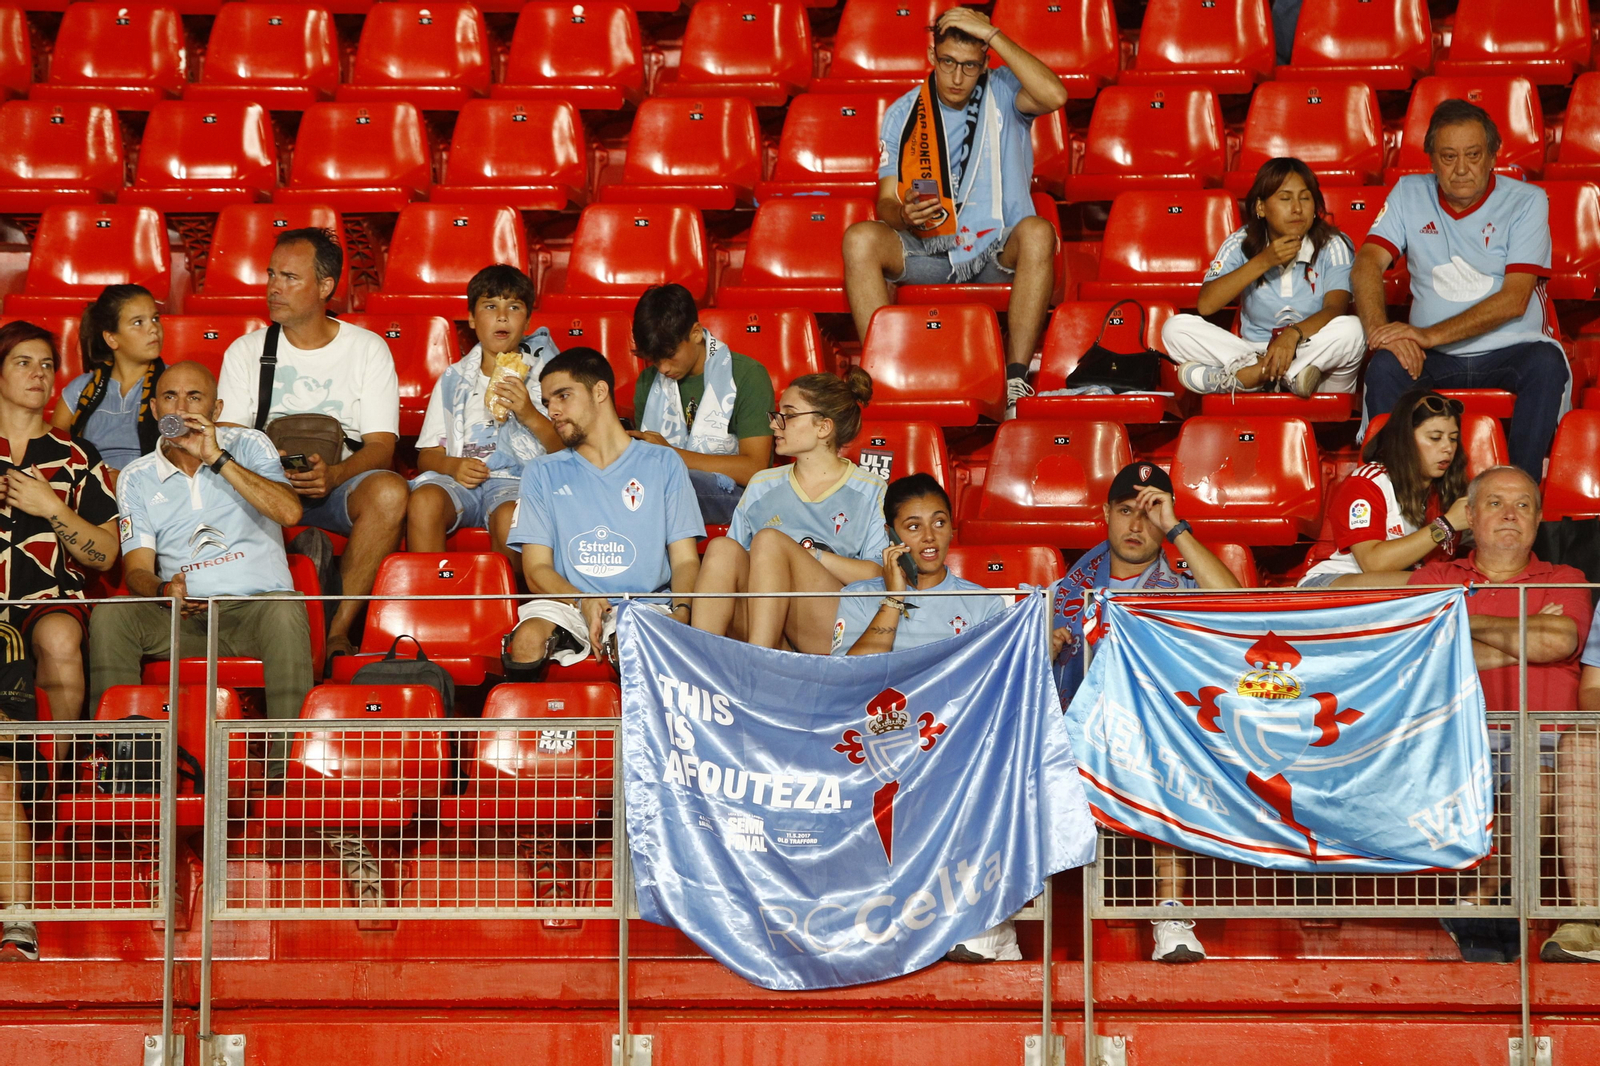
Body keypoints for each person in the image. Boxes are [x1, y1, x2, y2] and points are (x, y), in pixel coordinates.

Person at [1052, 462, 1241, 963]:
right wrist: (1043, 650)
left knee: (1169, 752)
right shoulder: (1063, 594)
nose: (1136, 525)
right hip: (1071, 740)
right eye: (1125, 511)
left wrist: (1176, 528)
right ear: (1105, 514)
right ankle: (1000, 922)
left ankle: (1171, 914)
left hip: (1146, 741)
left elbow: (1236, 605)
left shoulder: (1178, 589)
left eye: (1150, 513)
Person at [830, 473, 1020, 962]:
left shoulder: (982, 603)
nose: (929, 537)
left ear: (954, 527)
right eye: (912, 527)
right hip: (882, 749)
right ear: (891, 535)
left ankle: (987, 921)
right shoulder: (860, 597)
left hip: (953, 746)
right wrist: (893, 598)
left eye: (939, 522)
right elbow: (850, 677)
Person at [842, 6, 1066, 416]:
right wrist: (904, 216)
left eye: (969, 66)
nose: (957, 77)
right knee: (859, 238)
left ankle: (1015, 381)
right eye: (948, 62)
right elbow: (886, 201)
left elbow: (1056, 95)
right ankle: (884, 375)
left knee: (1038, 231)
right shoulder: (904, 113)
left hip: (998, 249)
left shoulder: (1003, 91)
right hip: (932, 250)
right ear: (932, 55)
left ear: (985, 63)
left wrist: (992, 33)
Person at [1409, 466, 1589, 963]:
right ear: (1469, 516)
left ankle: (1481, 896)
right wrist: (1524, 635)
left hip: (1543, 743)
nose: (1510, 514)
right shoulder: (1436, 578)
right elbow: (1422, 655)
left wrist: (1457, 619)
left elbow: (1557, 642)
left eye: (1523, 505)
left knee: (1540, 776)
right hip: (1450, 741)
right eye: (1495, 503)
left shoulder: (1565, 578)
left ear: (1538, 519)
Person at [216, 227, 408, 662]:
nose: (274, 287)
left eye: (289, 277)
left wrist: (334, 475)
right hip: (268, 488)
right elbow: (228, 441)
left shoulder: (367, 349)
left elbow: (381, 446)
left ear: (325, 286)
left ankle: (335, 633)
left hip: (340, 485)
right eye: (271, 274)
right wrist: (270, 468)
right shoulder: (246, 351)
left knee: (390, 491)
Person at [87, 360, 315, 721]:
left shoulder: (250, 444)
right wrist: (164, 591)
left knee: (285, 608)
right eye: (170, 397)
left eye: (194, 397)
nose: (181, 408)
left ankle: (288, 758)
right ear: (155, 409)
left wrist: (216, 458)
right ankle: (123, 752)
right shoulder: (136, 477)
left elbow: (289, 512)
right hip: (184, 619)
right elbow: (137, 570)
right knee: (112, 615)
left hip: (257, 614)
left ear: (216, 409)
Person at [1354, 99, 1568, 477]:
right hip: (1433, 357)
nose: (1462, 168)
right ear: (1432, 161)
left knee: (1547, 364)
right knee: (1384, 366)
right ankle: (1393, 491)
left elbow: (1514, 300)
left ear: (1493, 156)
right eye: (1449, 157)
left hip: (1509, 351)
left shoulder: (1526, 201)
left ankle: (1521, 487)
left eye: (1473, 154)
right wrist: (1380, 333)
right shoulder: (1408, 192)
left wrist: (1427, 335)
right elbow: (1367, 262)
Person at [0, 320, 122, 963]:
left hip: (49, 599)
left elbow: (104, 554)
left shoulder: (75, 457)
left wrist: (51, 507)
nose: (39, 374)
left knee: (56, 636)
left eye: (47, 363)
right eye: (24, 361)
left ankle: (51, 780)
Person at [501, 347, 702, 674]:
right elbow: (536, 569)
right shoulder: (541, 471)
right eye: (547, 402)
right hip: (568, 602)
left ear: (599, 392)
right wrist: (583, 599)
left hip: (643, 603)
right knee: (525, 643)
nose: (553, 411)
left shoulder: (663, 462)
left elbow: (685, 560)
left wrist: (683, 609)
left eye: (563, 396)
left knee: (630, 643)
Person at [692, 370, 888, 653]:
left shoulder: (870, 488)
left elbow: (877, 575)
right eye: (777, 414)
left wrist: (806, 556)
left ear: (824, 427)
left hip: (832, 629)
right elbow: (731, 571)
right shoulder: (762, 484)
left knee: (770, 541)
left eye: (789, 415)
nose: (774, 424)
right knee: (722, 548)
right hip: (767, 622)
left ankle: (761, 661)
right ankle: (698, 661)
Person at [1162, 158, 1365, 397]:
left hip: (1313, 354)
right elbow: (1206, 305)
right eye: (1285, 198)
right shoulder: (1240, 242)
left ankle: (1251, 378)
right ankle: (1268, 372)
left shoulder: (1333, 244)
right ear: (1261, 207)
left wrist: (1292, 334)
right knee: (1174, 328)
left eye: (1305, 198)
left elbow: (1335, 308)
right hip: (1252, 352)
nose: (1297, 208)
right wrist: (1264, 260)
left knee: (1354, 329)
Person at [408, 265, 562, 565]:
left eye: (514, 307)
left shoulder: (548, 378)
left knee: (509, 518)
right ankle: (431, 592)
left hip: (518, 484)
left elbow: (566, 449)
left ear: (528, 320)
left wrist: (529, 414)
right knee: (425, 501)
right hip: (461, 482)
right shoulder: (453, 378)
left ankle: (508, 595)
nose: (502, 316)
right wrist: (452, 465)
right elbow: (427, 455)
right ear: (471, 318)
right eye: (490, 306)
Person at [629, 284, 775, 525]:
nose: (663, 368)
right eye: (654, 359)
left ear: (696, 333)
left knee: (670, 487)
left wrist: (671, 454)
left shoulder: (748, 375)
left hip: (736, 494)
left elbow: (755, 469)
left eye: (670, 355)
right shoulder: (648, 381)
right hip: (666, 489)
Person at [1299, 389, 1469, 587]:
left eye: (1453, 438)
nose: (1448, 448)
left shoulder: (1449, 488)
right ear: (1405, 439)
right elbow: (1374, 563)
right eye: (1435, 438)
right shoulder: (1367, 483)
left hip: (1405, 584)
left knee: (1454, 583)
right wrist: (1446, 525)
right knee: (1437, 582)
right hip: (1333, 582)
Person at [51, 284, 165, 477]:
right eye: (138, 322)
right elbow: (52, 453)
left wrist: (127, 480)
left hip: (155, 488)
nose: (153, 328)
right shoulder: (80, 390)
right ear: (111, 338)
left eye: (155, 318)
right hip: (91, 486)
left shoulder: (174, 383)